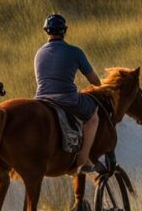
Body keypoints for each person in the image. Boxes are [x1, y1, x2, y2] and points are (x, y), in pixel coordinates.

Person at [33, 13, 102, 173]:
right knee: (93, 118)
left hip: (41, 99)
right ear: (65, 31)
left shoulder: (39, 53)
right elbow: (95, 82)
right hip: (67, 98)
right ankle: (83, 159)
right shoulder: (75, 52)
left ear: (46, 31)